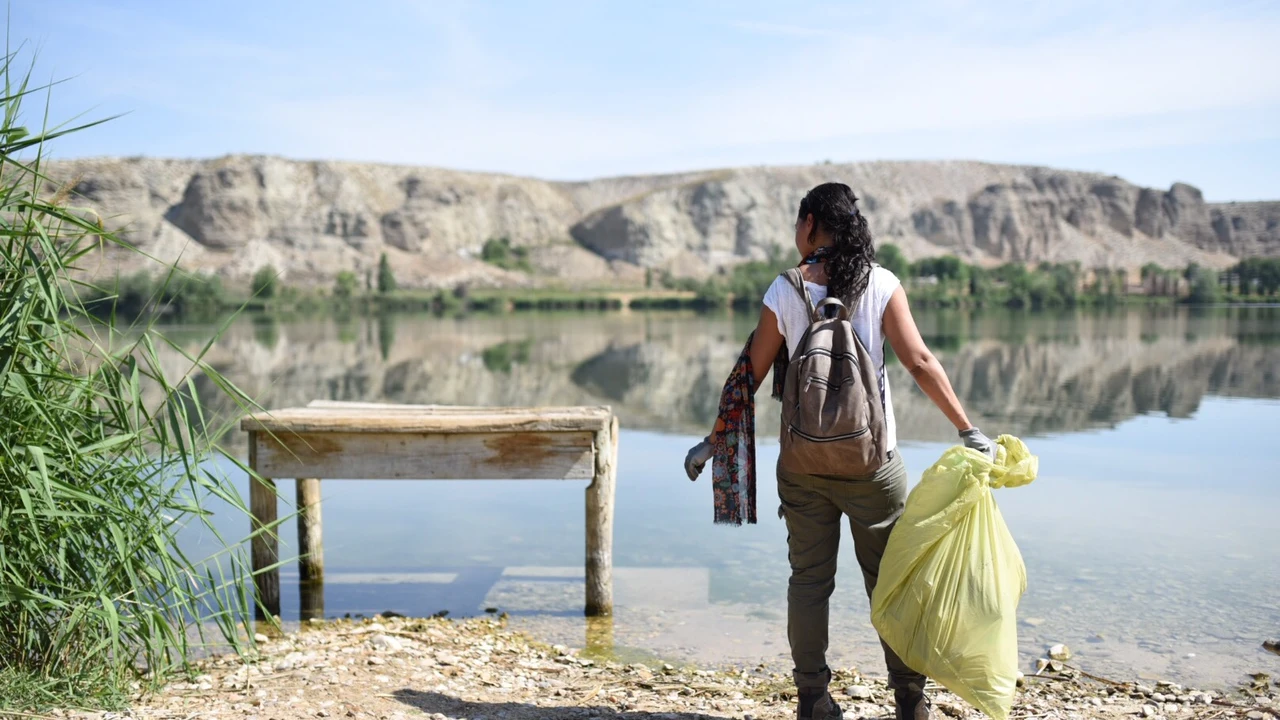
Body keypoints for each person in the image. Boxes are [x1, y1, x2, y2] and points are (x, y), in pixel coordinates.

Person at [683, 182, 997, 720]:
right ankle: (909, 701)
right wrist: (968, 430)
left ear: (809, 223)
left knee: (808, 582)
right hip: (873, 465)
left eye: (797, 224)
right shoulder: (880, 283)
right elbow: (920, 361)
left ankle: (813, 698)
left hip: (801, 467)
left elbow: (747, 374)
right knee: (892, 583)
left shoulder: (785, 289)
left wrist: (716, 439)